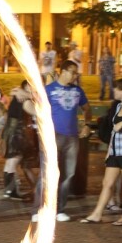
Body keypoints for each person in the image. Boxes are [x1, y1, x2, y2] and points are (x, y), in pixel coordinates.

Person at [81, 78, 122, 225]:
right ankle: (97, 213)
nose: (114, 91)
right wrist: (109, 150)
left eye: (117, 89)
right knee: (107, 183)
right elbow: (113, 132)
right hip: (116, 150)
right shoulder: (118, 107)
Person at [31, 61, 91, 222]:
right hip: (52, 136)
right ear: (63, 71)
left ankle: (60, 209)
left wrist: (87, 124)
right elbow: (38, 109)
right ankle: (39, 208)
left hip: (72, 137)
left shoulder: (78, 90)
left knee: (68, 174)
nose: (75, 75)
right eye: (72, 72)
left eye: (76, 73)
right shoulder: (49, 90)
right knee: (46, 173)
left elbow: (86, 108)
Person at [2, 81, 37, 200]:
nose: (33, 89)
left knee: (9, 163)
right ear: (26, 87)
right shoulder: (25, 100)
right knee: (13, 162)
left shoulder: (17, 97)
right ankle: (11, 192)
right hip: (18, 134)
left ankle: (8, 191)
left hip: (11, 132)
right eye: (31, 87)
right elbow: (37, 112)